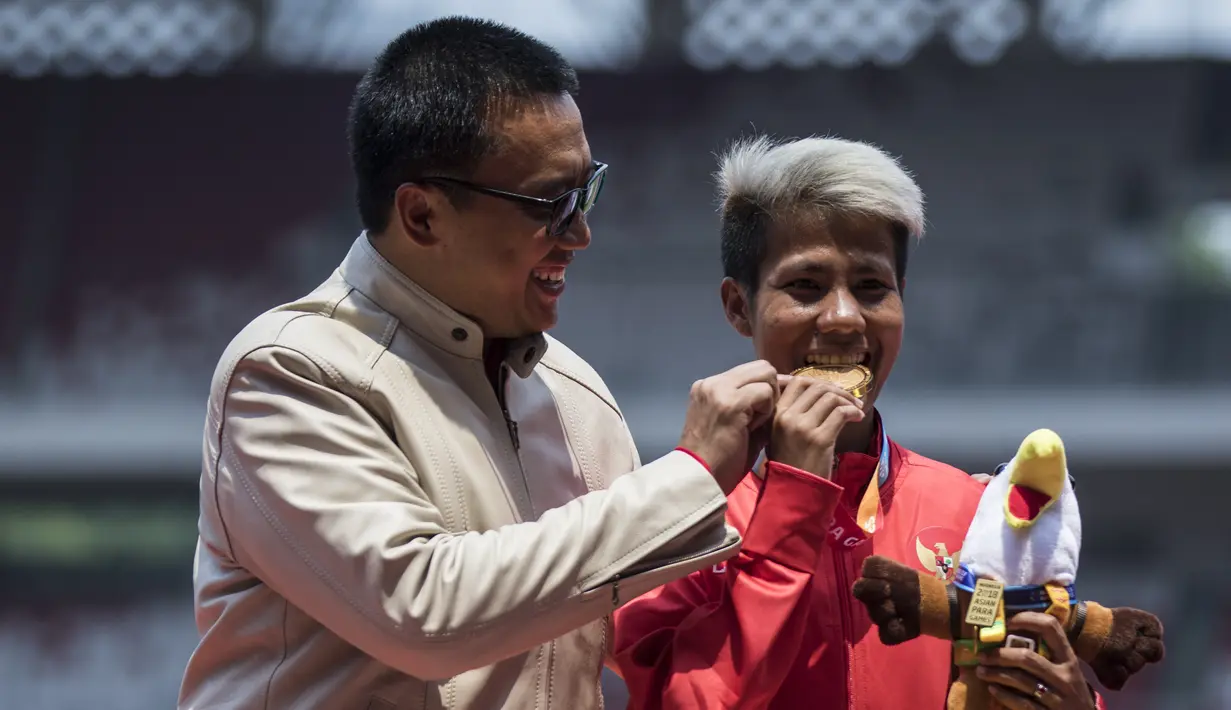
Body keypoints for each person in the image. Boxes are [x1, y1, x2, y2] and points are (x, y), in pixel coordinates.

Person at [175, 17, 842, 709]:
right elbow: (427, 615)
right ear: (422, 216)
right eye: (550, 204)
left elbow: (669, 659)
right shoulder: (291, 371)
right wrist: (694, 475)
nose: (580, 233)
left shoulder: (576, 394)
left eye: (588, 190)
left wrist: (822, 513)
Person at [612, 135, 1105, 710]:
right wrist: (793, 500)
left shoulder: (975, 514)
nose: (845, 319)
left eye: (872, 287)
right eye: (806, 286)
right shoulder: (676, 524)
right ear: (738, 306)